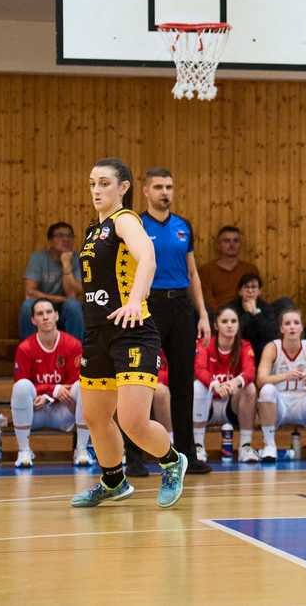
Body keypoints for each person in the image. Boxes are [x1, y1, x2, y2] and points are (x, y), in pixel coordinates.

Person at [70, 157, 187, 509]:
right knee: (95, 417)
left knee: (133, 421)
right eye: (92, 183)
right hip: (97, 334)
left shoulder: (126, 220)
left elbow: (147, 258)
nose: (96, 190)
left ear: (123, 187)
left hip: (132, 332)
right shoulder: (93, 231)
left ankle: (172, 461)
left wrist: (136, 300)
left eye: (104, 183)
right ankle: (113, 481)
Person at [131, 168, 212, 476]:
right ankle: (133, 457)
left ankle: (187, 454)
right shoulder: (136, 225)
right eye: (159, 187)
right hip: (147, 305)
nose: (165, 192)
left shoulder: (183, 226)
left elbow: (192, 273)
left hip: (180, 306)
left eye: (169, 187)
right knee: (140, 381)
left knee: (182, 383)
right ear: (146, 191)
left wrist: (202, 313)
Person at [11, 298, 91, 468]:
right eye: (40, 314)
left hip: (64, 411)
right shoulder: (25, 348)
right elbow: (21, 383)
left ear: (57, 316)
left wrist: (49, 395)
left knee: (84, 385)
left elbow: (74, 382)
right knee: (21, 387)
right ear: (33, 320)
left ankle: (81, 449)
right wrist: (52, 390)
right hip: (35, 412)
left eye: (49, 312)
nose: (45, 317)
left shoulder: (73, 345)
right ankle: (23, 451)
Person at [256, 308, 306, 462]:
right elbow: (260, 380)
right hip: (279, 405)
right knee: (266, 390)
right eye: (287, 323)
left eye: (296, 323)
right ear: (281, 329)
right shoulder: (272, 348)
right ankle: (269, 445)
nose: (292, 327)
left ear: (301, 327)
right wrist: (285, 376)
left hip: (302, 404)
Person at [193, 306, 259, 463]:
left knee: (250, 388)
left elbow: (250, 371)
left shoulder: (244, 346)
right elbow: (199, 369)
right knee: (197, 386)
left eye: (233, 321)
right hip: (208, 405)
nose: (230, 325)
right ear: (216, 325)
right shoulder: (205, 344)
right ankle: (198, 446)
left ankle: (245, 447)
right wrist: (215, 384)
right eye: (224, 321)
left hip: (231, 406)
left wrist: (235, 382)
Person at [19, 222, 84, 341]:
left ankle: (76, 350)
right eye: (60, 235)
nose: (66, 239)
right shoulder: (38, 258)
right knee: (27, 306)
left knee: (73, 306)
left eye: (69, 236)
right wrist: (58, 299)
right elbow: (30, 292)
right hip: (42, 306)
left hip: (65, 309)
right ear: (50, 241)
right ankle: (28, 349)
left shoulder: (77, 259)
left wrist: (66, 264)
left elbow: (72, 294)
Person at [198, 226, 261, 311]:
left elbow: (256, 296)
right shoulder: (206, 270)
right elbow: (207, 301)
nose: (232, 244)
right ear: (218, 245)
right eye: (226, 241)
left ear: (240, 244)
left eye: (236, 241)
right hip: (219, 314)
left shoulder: (250, 269)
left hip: (246, 312)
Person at [225, 273, 277, 363]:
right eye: (246, 287)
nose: (250, 290)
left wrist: (256, 313)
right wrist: (248, 314)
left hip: (260, 349)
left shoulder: (266, 307)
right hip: (238, 347)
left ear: (259, 291)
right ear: (240, 291)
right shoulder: (231, 308)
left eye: (254, 287)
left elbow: (270, 335)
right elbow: (233, 332)